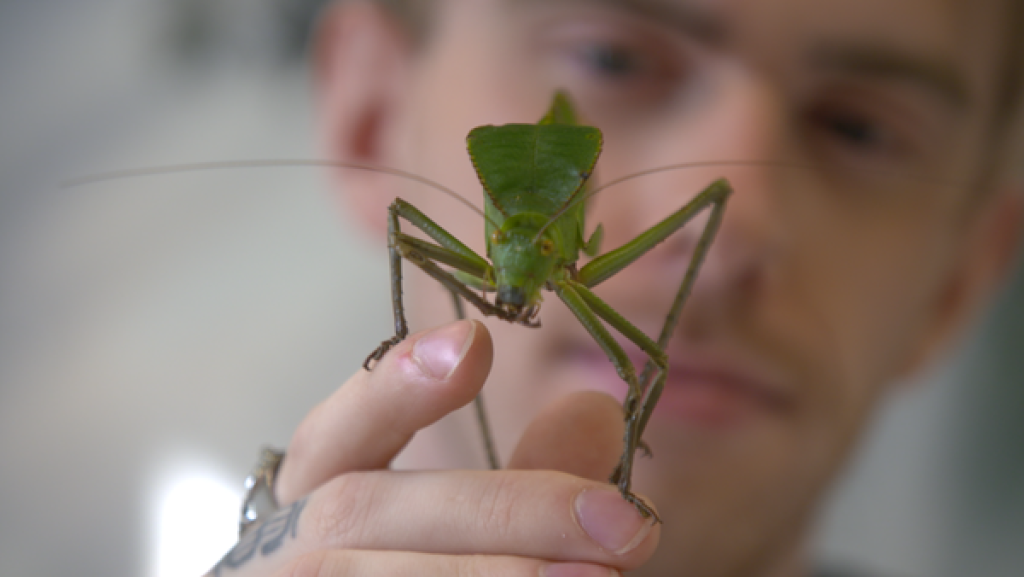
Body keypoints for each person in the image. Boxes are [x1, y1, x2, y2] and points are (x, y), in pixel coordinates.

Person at [208, 0, 1024, 575]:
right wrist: (260, 533)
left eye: (859, 127)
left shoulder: (639, 249)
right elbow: (403, 227)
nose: (737, 230)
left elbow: (652, 366)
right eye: (612, 56)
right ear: (372, 115)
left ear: (964, 277)